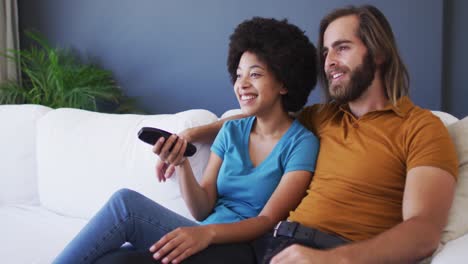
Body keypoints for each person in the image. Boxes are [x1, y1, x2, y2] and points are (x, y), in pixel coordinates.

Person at [154, 5, 459, 264]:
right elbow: (263, 118)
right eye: (326, 52)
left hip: (332, 252)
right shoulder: (322, 118)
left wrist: (333, 260)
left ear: (378, 53)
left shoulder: (420, 128)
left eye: (342, 47)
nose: (328, 62)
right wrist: (191, 135)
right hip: (272, 247)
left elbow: (423, 232)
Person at [52, 17, 319, 264]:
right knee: (110, 260)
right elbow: (202, 210)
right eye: (238, 75)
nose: (242, 84)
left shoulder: (301, 143)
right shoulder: (231, 132)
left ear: (284, 83)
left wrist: (209, 234)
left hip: (243, 247)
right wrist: (181, 164)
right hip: (203, 234)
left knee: (126, 206)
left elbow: (268, 220)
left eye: (255, 74)